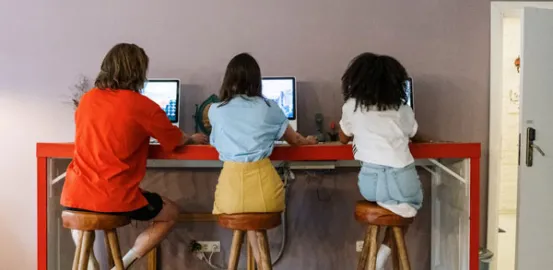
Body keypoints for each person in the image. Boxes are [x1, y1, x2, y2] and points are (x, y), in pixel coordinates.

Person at [60, 43, 208, 270]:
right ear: (138, 72)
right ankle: (122, 265)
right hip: (114, 197)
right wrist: (192, 138)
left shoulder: (87, 100)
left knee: (80, 218)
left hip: (75, 194)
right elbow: (175, 141)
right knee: (170, 213)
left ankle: (91, 266)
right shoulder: (142, 105)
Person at [208, 53, 317, 263]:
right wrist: (310, 141)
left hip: (229, 196)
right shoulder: (270, 108)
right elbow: (295, 140)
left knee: (246, 213)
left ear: (228, 79)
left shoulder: (216, 111)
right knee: (254, 216)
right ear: (257, 80)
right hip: (265, 194)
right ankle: (262, 265)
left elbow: (216, 142)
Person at [338, 52, 423, 270]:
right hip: (401, 180)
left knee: (392, 204)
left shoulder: (352, 107)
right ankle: (382, 255)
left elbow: (342, 137)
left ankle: (375, 259)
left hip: (370, 185)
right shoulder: (403, 109)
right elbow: (413, 134)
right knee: (410, 206)